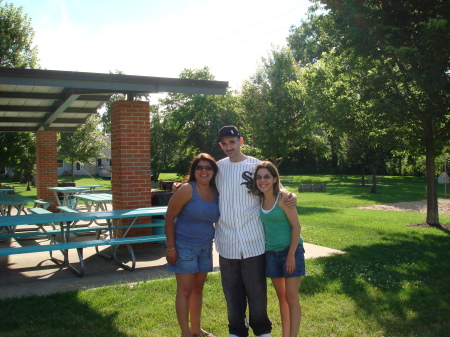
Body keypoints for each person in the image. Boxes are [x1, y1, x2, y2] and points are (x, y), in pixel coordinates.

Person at [215, 126, 297, 337]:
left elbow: (275, 185)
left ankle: (262, 330)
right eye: (224, 143)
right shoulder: (218, 168)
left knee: (257, 291)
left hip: (254, 239)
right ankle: (236, 330)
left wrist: (291, 194)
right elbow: (201, 184)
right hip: (226, 241)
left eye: (232, 142)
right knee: (232, 291)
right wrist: (180, 185)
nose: (228, 146)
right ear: (220, 145)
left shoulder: (254, 165)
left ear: (240, 140)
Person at [165, 153, 220, 337]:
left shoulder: (216, 191)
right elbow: (169, 217)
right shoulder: (187, 189)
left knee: (198, 288)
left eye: (208, 167)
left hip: (205, 247)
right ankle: (185, 332)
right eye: (199, 167)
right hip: (184, 246)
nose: (204, 171)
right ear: (194, 170)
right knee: (185, 289)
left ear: (213, 171)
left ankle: (196, 328)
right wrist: (171, 248)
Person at [251, 161, 305, 337]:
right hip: (271, 254)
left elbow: (296, 227)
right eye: (259, 177)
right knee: (282, 298)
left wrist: (291, 256)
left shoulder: (283, 198)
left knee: (291, 298)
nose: (262, 180)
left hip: (291, 252)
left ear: (275, 179)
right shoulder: (259, 198)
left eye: (267, 176)